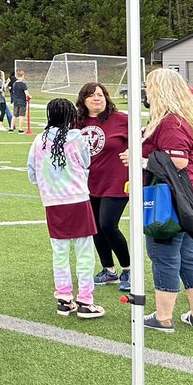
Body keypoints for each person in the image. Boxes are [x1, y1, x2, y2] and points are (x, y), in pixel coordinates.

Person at [129, 68, 193, 332]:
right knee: (189, 255)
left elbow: (178, 161)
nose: (146, 93)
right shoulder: (172, 120)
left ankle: (163, 317)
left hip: (173, 198)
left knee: (164, 255)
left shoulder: (171, 122)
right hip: (189, 195)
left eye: (149, 88)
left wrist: (141, 161)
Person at [27, 98, 104, 319]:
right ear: (70, 117)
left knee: (59, 252)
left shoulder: (39, 140)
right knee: (85, 252)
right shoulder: (76, 138)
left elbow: (32, 173)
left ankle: (63, 298)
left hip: (53, 202)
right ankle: (86, 300)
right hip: (78, 200)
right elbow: (86, 162)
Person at [76, 83, 132, 293]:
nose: (96, 98)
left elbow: (143, 141)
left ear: (106, 98)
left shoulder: (121, 119)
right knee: (95, 228)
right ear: (83, 100)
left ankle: (128, 269)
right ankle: (109, 269)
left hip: (117, 181)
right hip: (89, 183)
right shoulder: (77, 122)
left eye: (100, 95)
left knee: (108, 224)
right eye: (91, 95)